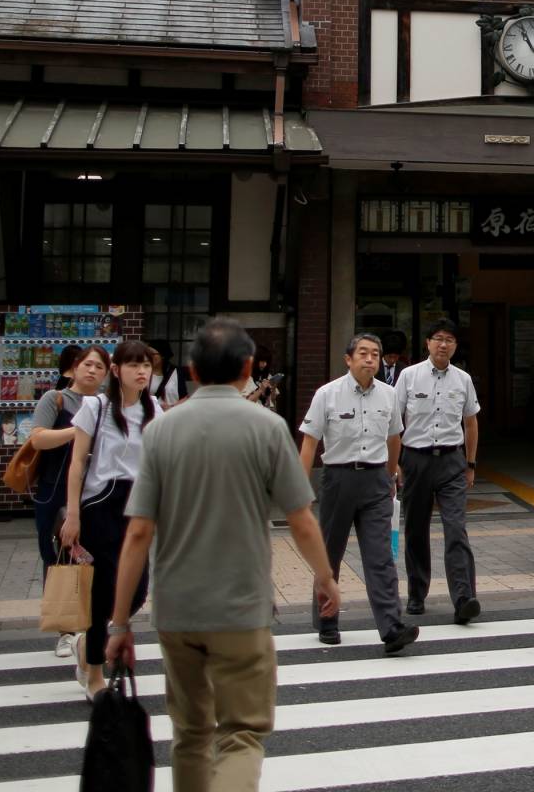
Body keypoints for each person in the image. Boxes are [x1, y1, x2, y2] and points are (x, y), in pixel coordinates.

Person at [104, 317, 337, 792]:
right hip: (241, 607)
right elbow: (301, 518)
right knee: (241, 733)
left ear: (190, 369)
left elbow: (138, 533)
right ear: (248, 366)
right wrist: (325, 578)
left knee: (189, 733)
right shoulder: (268, 428)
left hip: (177, 608)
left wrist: (119, 623)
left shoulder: (160, 431)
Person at [297, 332, 417, 654]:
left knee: (380, 557)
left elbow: (395, 438)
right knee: (329, 555)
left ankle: (391, 627)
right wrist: (298, 489)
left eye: (375, 354)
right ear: (348, 360)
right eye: (363, 353)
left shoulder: (389, 396)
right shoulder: (328, 394)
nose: (369, 359)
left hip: (376, 481)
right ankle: (327, 620)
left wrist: (391, 474)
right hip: (338, 481)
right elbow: (310, 442)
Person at [62, 340, 158, 695]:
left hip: (138, 505)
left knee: (137, 590)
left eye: (146, 365)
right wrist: (73, 514)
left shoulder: (155, 411)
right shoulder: (96, 407)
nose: (142, 371)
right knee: (103, 591)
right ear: (116, 370)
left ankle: (85, 645)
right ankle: (95, 676)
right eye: (133, 365)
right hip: (100, 504)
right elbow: (77, 463)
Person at [395, 318, 482, 625]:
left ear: (455, 346)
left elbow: (470, 422)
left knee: (456, 528)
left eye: (449, 340)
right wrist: (395, 462)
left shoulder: (463, 380)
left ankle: (464, 598)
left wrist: (470, 464)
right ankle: (417, 593)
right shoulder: (408, 376)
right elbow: (395, 421)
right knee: (415, 529)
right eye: (438, 339)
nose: (443, 344)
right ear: (427, 343)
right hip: (415, 460)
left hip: (451, 462)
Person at [29, 344, 107, 658]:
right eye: (87, 364)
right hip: (55, 489)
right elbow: (37, 438)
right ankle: (65, 629)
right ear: (73, 368)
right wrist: (77, 431)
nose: (92, 371)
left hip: (94, 490)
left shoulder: (107, 404)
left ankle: (90, 624)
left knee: (92, 556)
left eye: (99, 367)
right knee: (58, 556)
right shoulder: (56, 398)